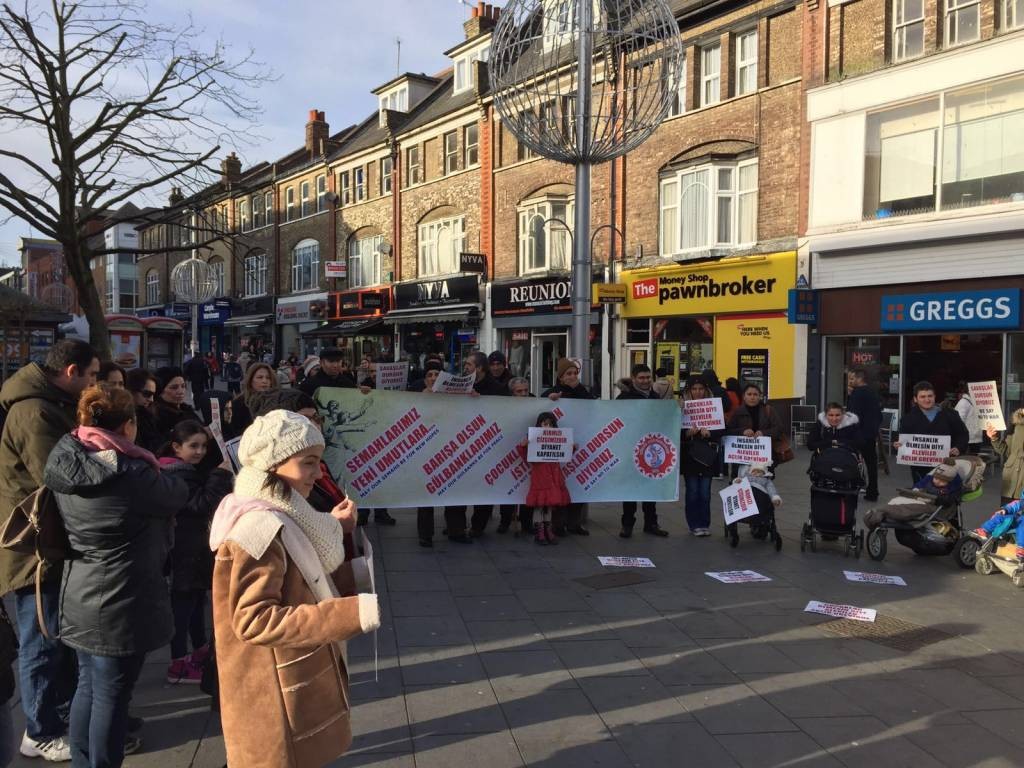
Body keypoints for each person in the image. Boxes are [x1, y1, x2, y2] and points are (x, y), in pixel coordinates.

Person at [209, 410, 379, 768]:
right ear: (273, 464)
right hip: (273, 691)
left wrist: (352, 576)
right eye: (309, 463)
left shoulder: (285, 512)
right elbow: (254, 619)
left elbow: (300, 580)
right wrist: (349, 613)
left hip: (288, 679)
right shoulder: (258, 528)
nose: (319, 474)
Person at [43, 384, 186, 767]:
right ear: (128, 426)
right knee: (112, 693)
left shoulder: (67, 455)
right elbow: (175, 494)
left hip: (79, 590)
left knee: (89, 686)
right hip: (123, 597)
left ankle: (83, 760)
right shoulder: (133, 473)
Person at [0, 339, 99, 762]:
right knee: (38, 641)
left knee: (50, 638)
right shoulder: (34, 410)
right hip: (31, 550)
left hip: (45, 544)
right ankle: (37, 731)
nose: (94, 383)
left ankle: (52, 716)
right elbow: (57, 475)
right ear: (72, 371)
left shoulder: (46, 402)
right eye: (92, 375)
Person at [158, 421, 234, 686]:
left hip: (193, 549)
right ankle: (178, 662)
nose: (200, 451)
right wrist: (220, 476)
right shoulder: (176, 474)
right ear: (176, 447)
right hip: (185, 550)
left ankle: (197, 652)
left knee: (193, 604)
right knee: (183, 606)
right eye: (193, 446)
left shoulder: (184, 470)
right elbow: (199, 504)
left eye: (203, 446)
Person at [541, 358, 593, 536]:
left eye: (574, 373)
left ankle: (574, 523)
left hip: (580, 444)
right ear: (560, 377)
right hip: (558, 447)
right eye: (568, 374)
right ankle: (558, 524)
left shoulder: (583, 392)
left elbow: (593, 407)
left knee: (578, 484)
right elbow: (542, 413)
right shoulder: (552, 393)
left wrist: (578, 388)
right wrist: (550, 400)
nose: (572, 376)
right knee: (559, 486)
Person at [617, 364, 668, 538]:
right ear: (633, 378)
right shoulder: (624, 398)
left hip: (650, 449)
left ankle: (651, 523)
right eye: (641, 378)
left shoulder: (655, 396)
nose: (645, 381)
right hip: (630, 449)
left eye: (648, 377)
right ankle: (627, 524)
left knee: (650, 489)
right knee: (630, 489)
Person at [894, 380, 968, 483]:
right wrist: (898, 446)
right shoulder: (907, 419)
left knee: (946, 497)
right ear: (915, 399)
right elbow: (901, 441)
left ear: (934, 396)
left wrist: (958, 447)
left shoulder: (950, 415)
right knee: (921, 496)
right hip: (919, 470)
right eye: (922, 397)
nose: (927, 400)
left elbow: (963, 434)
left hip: (947, 468)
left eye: (930, 396)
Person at [681, 376, 725, 536]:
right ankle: (693, 524)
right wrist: (687, 433)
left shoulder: (713, 406)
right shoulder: (682, 407)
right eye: (694, 389)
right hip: (690, 455)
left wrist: (710, 433)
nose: (698, 392)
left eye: (700, 389)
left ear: (706, 390)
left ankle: (704, 523)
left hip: (707, 456)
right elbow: (676, 432)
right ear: (689, 391)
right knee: (692, 491)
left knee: (705, 492)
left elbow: (721, 430)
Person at [525, 412, 572, 545]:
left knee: (549, 506)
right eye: (545, 424)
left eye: (550, 424)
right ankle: (539, 531)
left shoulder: (558, 439)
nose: (548, 427)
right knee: (539, 506)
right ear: (539, 424)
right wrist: (524, 446)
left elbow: (564, 454)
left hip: (554, 478)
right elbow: (527, 457)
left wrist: (571, 448)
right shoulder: (532, 439)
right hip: (540, 479)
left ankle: (548, 529)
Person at [497, 377, 534, 536]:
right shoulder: (504, 406)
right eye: (519, 391)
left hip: (528, 453)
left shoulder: (535, 403)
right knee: (508, 489)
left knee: (527, 490)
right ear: (512, 393)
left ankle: (527, 524)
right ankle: (504, 522)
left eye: (526, 390)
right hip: (508, 453)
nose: (524, 394)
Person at [727, 383, 785, 469]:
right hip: (741, 458)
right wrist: (742, 431)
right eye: (749, 394)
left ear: (759, 396)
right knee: (742, 481)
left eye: (755, 394)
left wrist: (763, 433)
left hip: (763, 457)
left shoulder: (768, 410)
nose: (752, 397)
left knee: (763, 481)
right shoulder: (737, 412)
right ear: (744, 396)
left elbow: (779, 429)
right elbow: (728, 431)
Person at [846, 368, 883, 501]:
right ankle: (873, 491)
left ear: (859, 379)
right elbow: (879, 415)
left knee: (851, 460)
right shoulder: (872, 393)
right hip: (870, 434)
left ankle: (853, 486)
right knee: (871, 464)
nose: (850, 382)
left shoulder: (857, 394)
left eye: (852, 378)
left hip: (858, 435)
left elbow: (852, 416)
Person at [228, 361, 279, 439]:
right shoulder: (237, 403)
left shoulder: (278, 401)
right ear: (250, 380)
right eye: (260, 377)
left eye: (268, 378)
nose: (264, 381)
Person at [153, 367, 204, 442]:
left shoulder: (186, 409)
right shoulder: (157, 416)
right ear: (160, 391)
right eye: (174, 387)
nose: (181, 391)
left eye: (183, 386)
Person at [971, 491, 1024, 562]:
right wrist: (1005, 510)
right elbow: (1014, 505)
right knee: (1000, 516)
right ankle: (984, 530)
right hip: (1018, 519)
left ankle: (1021, 547)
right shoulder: (1022, 502)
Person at [987, 409, 1024, 506]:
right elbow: (1006, 451)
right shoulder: (1017, 422)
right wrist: (994, 438)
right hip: (1010, 482)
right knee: (1005, 518)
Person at [126, 368, 163, 454]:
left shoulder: (151, 415)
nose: (151, 399)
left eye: (153, 395)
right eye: (147, 394)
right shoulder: (124, 417)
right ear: (131, 391)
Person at [953, 382, 983, 454]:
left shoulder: (975, 402)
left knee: (973, 462)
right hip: (968, 440)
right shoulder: (964, 402)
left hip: (975, 439)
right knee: (968, 462)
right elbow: (958, 422)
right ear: (969, 391)